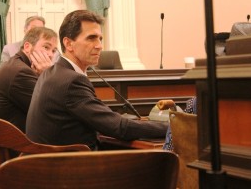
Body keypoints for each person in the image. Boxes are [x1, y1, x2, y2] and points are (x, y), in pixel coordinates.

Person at [26, 10, 168, 150]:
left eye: (100, 38)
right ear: (68, 44)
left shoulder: (52, 73)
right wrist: (173, 126)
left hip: (48, 164)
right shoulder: (72, 81)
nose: (99, 45)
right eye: (91, 38)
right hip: (71, 168)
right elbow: (120, 128)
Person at [0, 27, 59, 132]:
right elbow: (51, 111)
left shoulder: (17, 64)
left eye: (54, 51)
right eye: (46, 47)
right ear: (27, 47)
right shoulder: (20, 72)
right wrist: (47, 73)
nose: (50, 55)